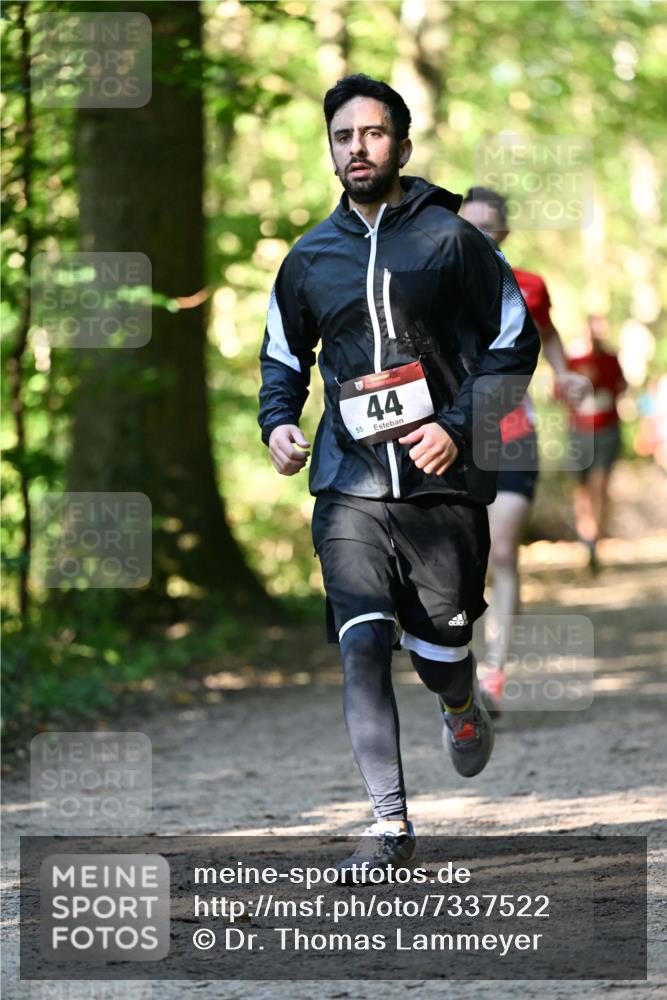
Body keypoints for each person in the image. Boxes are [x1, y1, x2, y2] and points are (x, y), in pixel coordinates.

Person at [258, 76, 540, 879]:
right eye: (343, 135)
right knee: (360, 643)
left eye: (373, 134)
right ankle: (388, 826)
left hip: (439, 490)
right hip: (347, 483)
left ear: (401, 147)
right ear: (330, 148)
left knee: (438, 653)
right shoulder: (309, 257)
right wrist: (278, 420)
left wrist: (455, 430)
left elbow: (511, 342)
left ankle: (459, 701)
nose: (357, 147)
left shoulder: (451, 240)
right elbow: (283, 356)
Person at [459, 188, 589, 714]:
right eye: (466, 228)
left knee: (503, 549)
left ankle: (493, 672)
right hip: (451, 439)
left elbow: (548, 332)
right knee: (459, 559)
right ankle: (455, 665)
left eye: (486, 228)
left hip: (513, 434)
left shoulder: (528, 285)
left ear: (505, 233)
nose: (475, 237)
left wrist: (566, 375)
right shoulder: (434, 282)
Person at [566, 315, 627, 571]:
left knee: (599, 484)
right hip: (579, 432)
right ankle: (586, 537)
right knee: (582, 488)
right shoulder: (574, 362)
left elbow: (622, 387)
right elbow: (562, 393)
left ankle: (595, 542)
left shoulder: (612, 360)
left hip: (606, 430)